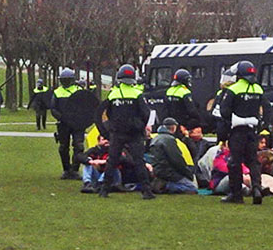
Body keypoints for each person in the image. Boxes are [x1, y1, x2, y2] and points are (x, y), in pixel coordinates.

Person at [100, 65, 156, 199]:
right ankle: (147, 191)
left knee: (112, 161)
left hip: (117, 133)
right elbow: (146, 113)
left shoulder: (113, 94)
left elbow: (108, 113)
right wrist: (140, 126)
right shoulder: (137, 94)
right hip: (134, 134)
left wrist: (113, 126)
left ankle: (104, 190)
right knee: (139, 161)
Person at [216, 60, 267, 204]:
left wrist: (226, 127)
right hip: (252, 130)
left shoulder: (233, 89)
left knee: (235, 162)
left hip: (237, 131)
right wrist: (262, 124)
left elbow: (224, 111)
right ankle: (257, 188)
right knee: (253, 161)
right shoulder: (258, 89)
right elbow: (267, 108)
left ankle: (236, 194)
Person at [49, 69, 88, 181]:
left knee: (79, 146)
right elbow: (53, 108)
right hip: (63, 124)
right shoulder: (57, 92)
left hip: (77, 124)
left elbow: (86, 106)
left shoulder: (79, 91)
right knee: (63, 147)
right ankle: (66, 170)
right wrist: (62, 118)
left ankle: (75, 170)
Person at [145, 118, 200, 193]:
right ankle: (164, 186)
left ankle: (161, 184)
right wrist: (187, 173)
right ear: (174, 127)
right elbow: (177, 160)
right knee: (192, 188)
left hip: (158, 170)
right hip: (168, 172)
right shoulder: (169, 140)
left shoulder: (156, 138)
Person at [161, 68, 205, 133]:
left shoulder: (169, 91)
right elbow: (192, 110)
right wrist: (199, 119)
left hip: (171, 123)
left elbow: (165, 109)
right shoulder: (185, 92)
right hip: (184, 123)